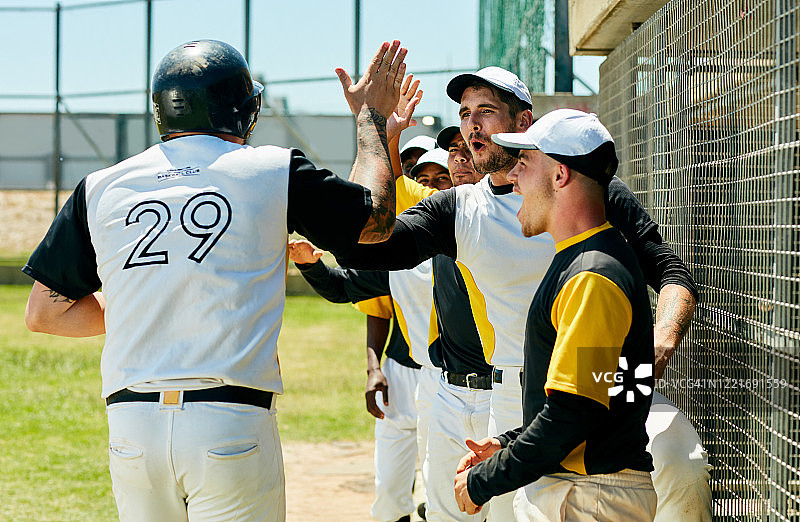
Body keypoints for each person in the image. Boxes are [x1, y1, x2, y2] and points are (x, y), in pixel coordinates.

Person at [22, 38, 408, 522]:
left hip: (131, 425)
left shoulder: (102, 185)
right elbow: (373, 224)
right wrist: (370, 122)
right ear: (243, 111)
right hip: (229, 420)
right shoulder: (271, 169)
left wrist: (151, 304)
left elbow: (43, 313)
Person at [333, 66, 708, 521]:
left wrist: (662, 339)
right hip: (516, 390)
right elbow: (365, 243)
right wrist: (372, 133)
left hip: (612, 378)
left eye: (486, 111)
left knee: (682, 468)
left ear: (524, 122)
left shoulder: (590, 193)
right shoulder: (461, 207)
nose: (472, 125)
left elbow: (671, 271)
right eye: (465, 113)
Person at [453, 108, 658, 520]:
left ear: (560, 175)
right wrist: (509, 443)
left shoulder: (593, 275)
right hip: (585, 489)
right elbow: (596, 399)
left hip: (591, 497)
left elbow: (573, 415)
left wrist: (485, 480)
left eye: (524, 163)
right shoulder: (586, 260)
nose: (513, 177)